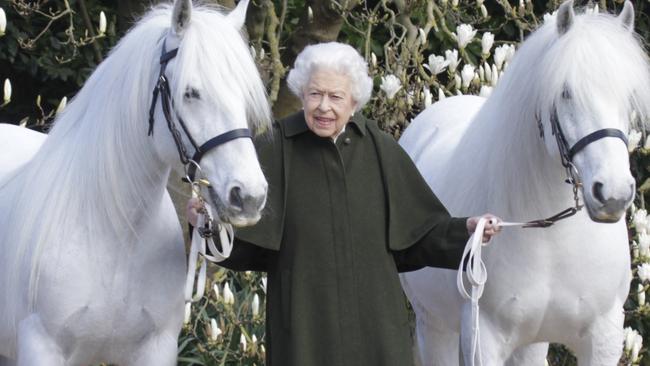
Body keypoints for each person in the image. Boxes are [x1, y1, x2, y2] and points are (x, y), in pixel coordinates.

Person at [187, 42, 501, 366]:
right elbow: (246, 242)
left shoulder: (379, 148)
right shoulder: (275, 147)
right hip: (304, 332)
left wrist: (467, 230)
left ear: (354, 101)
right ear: (301, 94)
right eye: (315, 94)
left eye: (335, 96)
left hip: (377, 331)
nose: (324, 106)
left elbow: (419, 233)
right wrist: (207, 225)